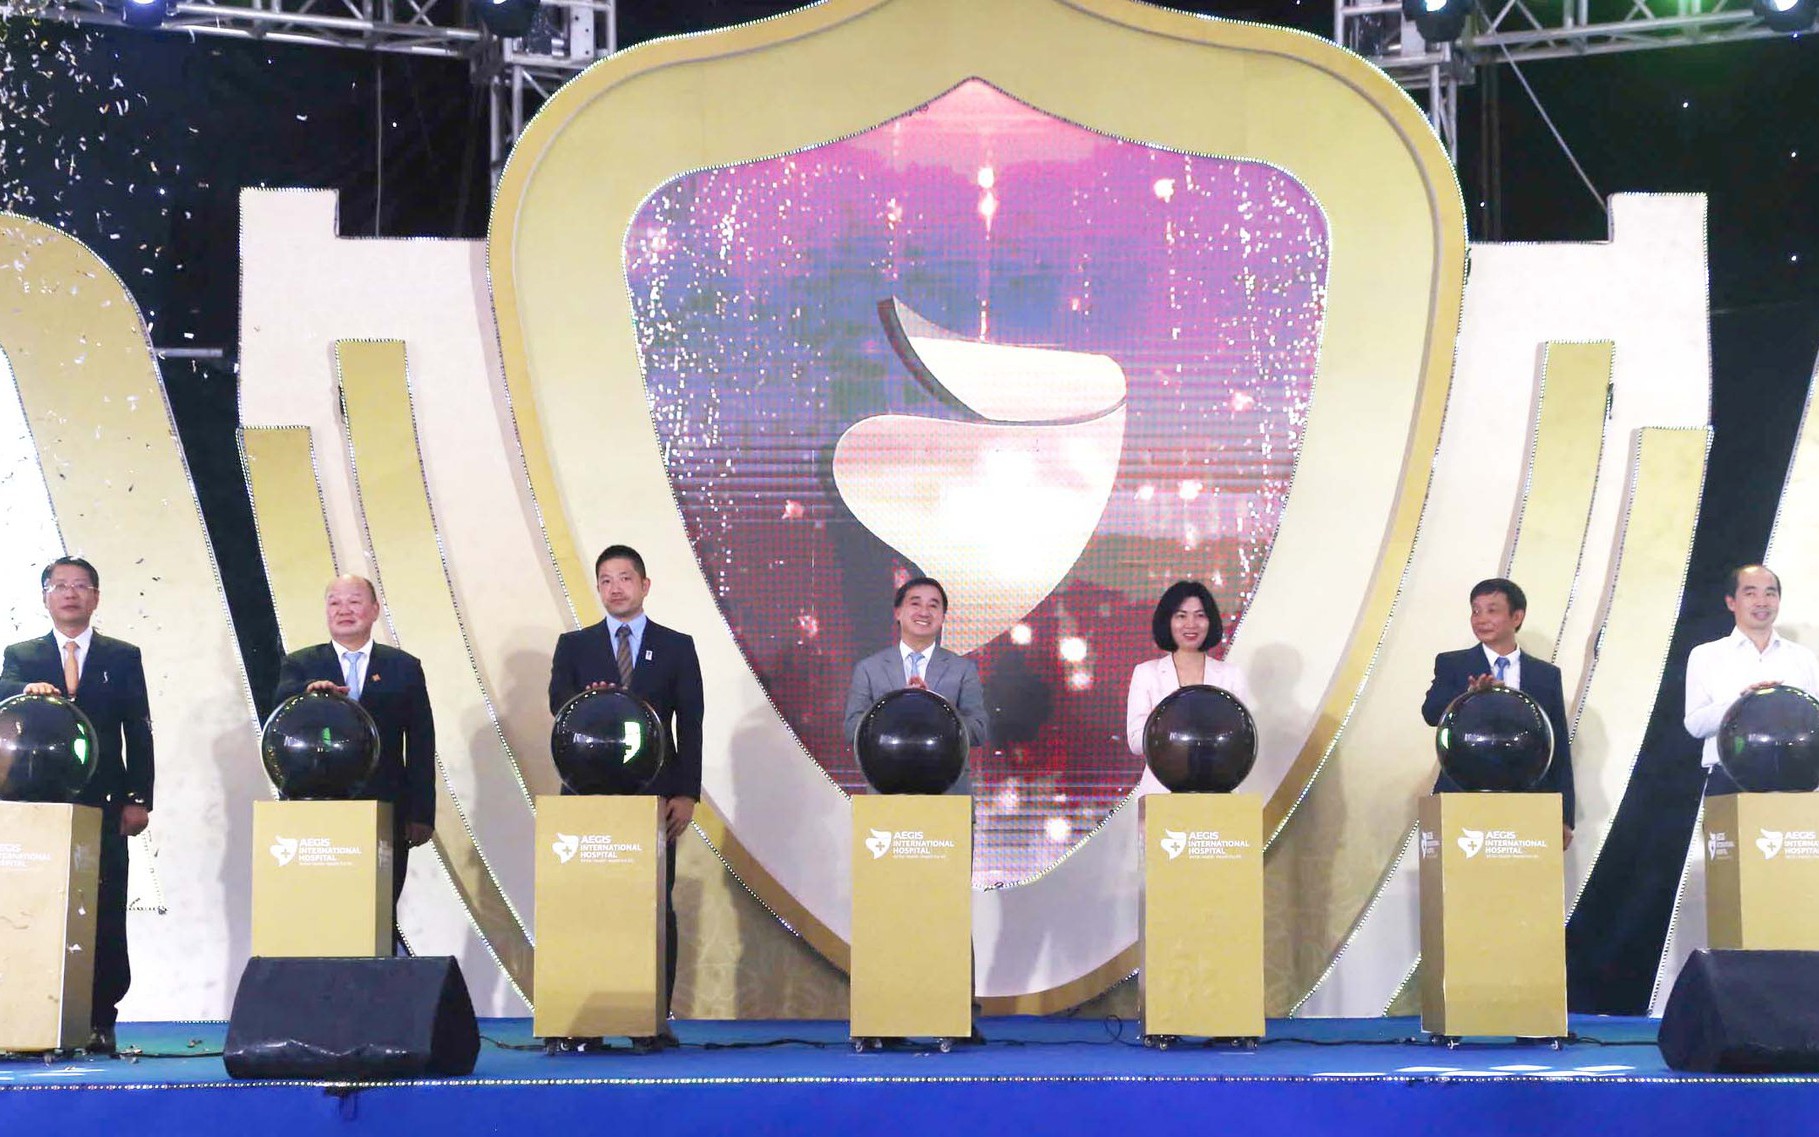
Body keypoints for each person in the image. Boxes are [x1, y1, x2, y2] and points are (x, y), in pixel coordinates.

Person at [548, 544, 704, 1044]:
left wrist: (687, 793)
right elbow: (558, 708)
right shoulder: (574, 646)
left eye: (625, 578)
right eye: (606, 580)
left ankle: (652, 1020)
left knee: (653, 905)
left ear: (644, 585)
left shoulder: (676, 646)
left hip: (655, 797)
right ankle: (583, 1023)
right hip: (587, 797)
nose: (615, 588)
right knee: (587, 905)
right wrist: (586, 700)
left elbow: (691, 725)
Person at [0, 557, 153, 1056]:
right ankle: (30, 1014)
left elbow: (139, 731)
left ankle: (101, 1018)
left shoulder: (122, 655)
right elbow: (4, 695)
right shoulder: (22, 655)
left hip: (103, 804)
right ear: (45, 596)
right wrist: (24, 690)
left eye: (81, 586)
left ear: (95, 597)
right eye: (60, 586)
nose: (70, 594)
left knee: (104, 908)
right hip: (36, 804)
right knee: (35, 904)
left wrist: (139, 799)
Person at [273, 575, 436, 925]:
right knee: (323, 912)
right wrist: (308, 692)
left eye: (354, 601)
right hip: (318, 808)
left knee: (378, 912)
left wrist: (422, 813)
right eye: (334, 603)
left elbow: (421, 742)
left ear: (374, 610)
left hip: (386, 806)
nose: (343, 610)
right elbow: (280, 707)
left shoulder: (403, 666)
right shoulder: (300, 665)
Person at [1421, 577, 1576, 846]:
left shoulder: (1545, 674)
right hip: (1462, 796)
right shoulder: (1453, 663)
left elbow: (1557, 744)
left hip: (1528, 801)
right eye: (1475, 611)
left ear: (1517, 617)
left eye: (1492, 610)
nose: (1481, 619)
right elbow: (1431, 713)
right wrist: (1467, 697)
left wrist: (1564, 815)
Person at [843, 576, 990, 793]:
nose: (924, 612)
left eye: (933, 606)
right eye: (915, 603)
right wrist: (896, 708)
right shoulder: (869, 669)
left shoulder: (963, 669)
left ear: (943, 618)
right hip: (887, 791)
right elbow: (851, 729)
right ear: (898, 612)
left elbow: (979, 730)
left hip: (948, 794)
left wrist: (936, 708)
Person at [1684, 564, 1819, 795]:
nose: (1761, 602)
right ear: (1731, 602)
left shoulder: (1803, 657)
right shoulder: (1706, 655)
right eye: (1750, 593)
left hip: (1797, 781)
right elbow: (1695, 725)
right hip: (1730, 780)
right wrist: (1742, 705)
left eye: (1770, 593)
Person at [1125, 580, 1255, 760]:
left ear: (1210, 621)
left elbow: (1241, 738)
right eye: (1181, 616)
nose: (1191, 624)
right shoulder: (1146, 673)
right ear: (1168, 621)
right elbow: (1135, 742)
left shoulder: (1231, 675)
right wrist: (1170, 724)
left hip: (1217, 775)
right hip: (1162, 777)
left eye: (1200, 615)